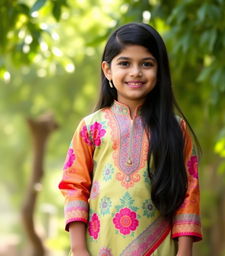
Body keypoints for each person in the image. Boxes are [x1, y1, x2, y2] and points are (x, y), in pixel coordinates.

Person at [58, 22, 202, 256]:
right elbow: (74, 186)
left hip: (159, 247)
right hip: (99, 247)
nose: (136, 72)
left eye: (147, 64)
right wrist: (79, 248)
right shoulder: (91, 127)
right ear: (107, 70)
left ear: (159, 70)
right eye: (125, 63)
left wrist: (184, 252)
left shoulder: (176, 129)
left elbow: (188, 192)